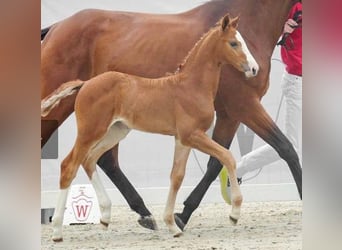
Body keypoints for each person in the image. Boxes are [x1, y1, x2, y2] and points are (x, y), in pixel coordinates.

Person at [219, 1, 302, 204]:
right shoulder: (290, 6)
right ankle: (237, 169)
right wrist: (282, 29)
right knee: (293, 145)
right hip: (299, 81)